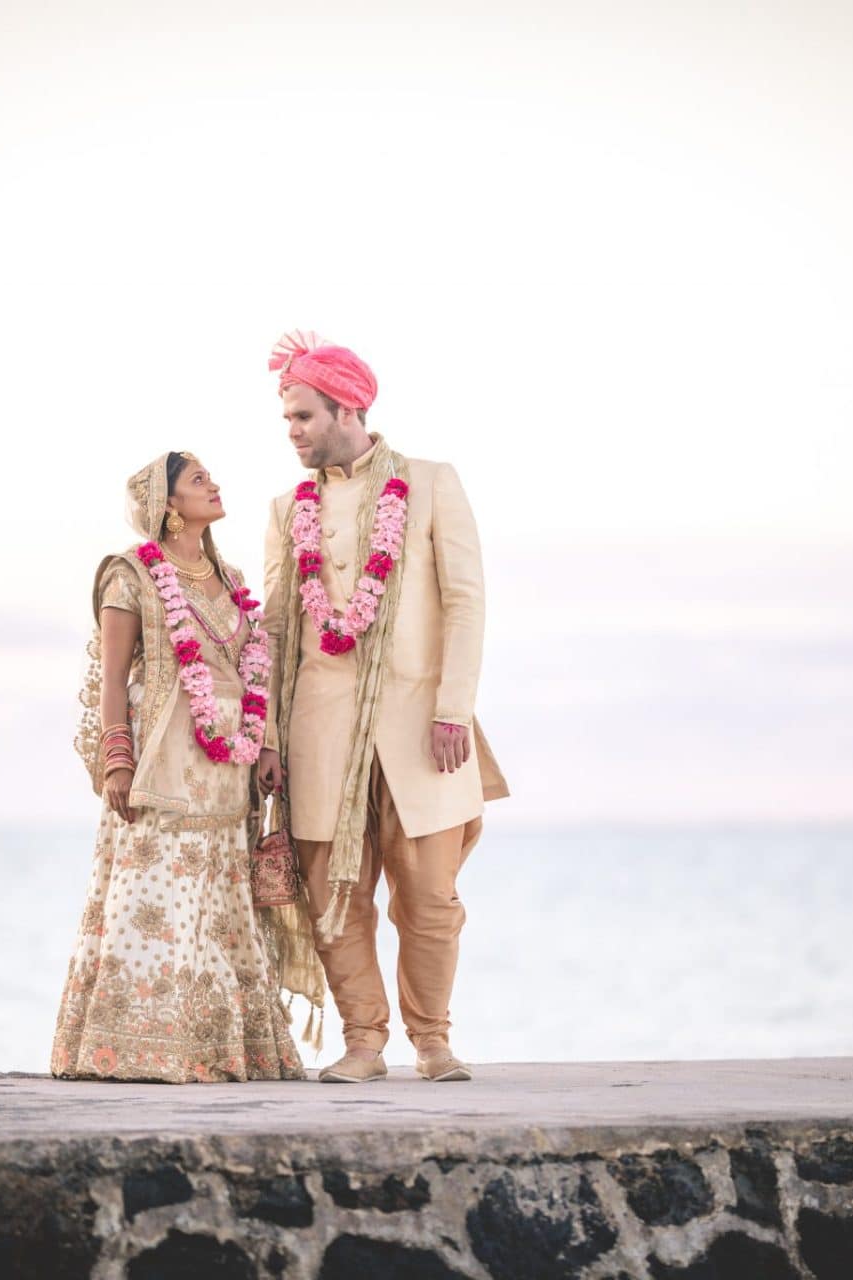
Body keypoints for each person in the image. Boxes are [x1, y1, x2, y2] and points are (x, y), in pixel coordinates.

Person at [258, 332, 509, 1084]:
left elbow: (466, 602)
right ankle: (363, 1041)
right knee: (337, 898)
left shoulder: (430, 483)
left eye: (304, 416)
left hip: (422, 729)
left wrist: (453, 711)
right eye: (288, 420)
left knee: (430, 898)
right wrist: (268, 736)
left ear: (348, 407)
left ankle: (432, 1041)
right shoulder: (285, 509)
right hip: (320, 734)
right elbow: (273, 627)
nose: (294, 432)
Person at [51, 450, 324, 1083]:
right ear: (168, 505)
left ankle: (218, 1052)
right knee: (156, 900)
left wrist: (269, 748)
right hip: (162, 766)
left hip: (229, 771)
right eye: (198, 480)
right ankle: (138, 1047)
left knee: (221, 907)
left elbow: (254, 668)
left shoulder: (229, 578)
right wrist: (115, 761)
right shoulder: (132, 576)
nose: (214, 485)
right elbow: (114, 677)